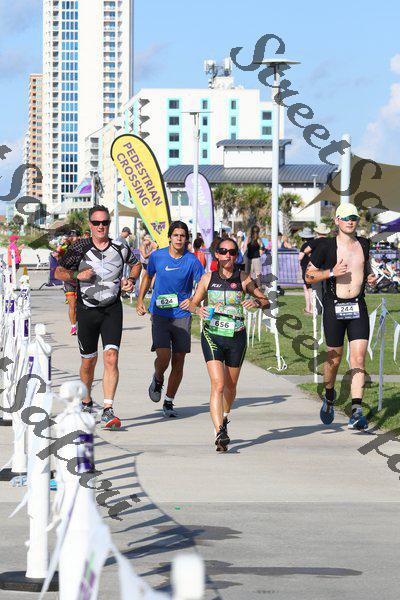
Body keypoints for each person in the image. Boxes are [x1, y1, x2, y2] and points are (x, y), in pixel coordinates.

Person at [55, 205, 141, 429]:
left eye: (105, 222)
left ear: (109, 224)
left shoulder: (120, 247)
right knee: (88, 361)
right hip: (87, 310)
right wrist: (77, 274)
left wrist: (131, 280)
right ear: (90, 224)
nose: (101, 226)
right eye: (96, 223)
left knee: (111, 357)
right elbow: (58, 272)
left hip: (112, 309)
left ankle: (108, 409)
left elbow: (136, 264)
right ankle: (86, 401)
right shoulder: (79, 247)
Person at [183, 237, 270, 452]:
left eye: (231, 252)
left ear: (236, 256)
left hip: (236, 337)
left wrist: (255, 301)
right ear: (217, 254)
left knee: (230, 386)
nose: (227, 256)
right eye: (223, 251)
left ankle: (224, 416)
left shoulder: (243, 278)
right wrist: (197, 309)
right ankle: (219, 431)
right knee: (218, 384)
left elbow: (265, 301)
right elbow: (193, 303)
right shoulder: (207, 278)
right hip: (212, 335)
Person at [306, 203, 377, 430]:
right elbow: (309, 276)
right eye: (345, 218)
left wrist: (370, 277)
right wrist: (331, 272)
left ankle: (356, 411)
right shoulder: (325, 246)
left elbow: (365, 267)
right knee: (334, 360)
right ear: (336, 220)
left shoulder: (364, 243)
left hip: (357, 306)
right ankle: (329, 394)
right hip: (334, 307)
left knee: (358, 359)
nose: (350, 221)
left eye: (353, 217)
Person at [136, 220, 204, 418]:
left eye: (182, 236)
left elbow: (203, 283)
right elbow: (147, 276)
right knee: (164, 356)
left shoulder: (192, 261)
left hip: (182, 315)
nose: (179, 239)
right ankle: (158, 378)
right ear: (169, 237)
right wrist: (140, 300)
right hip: (160, 313)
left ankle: (169, 401)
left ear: (186, 239)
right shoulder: (158, 256)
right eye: (176, 235)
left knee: (179, 360)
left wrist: (193, 300)